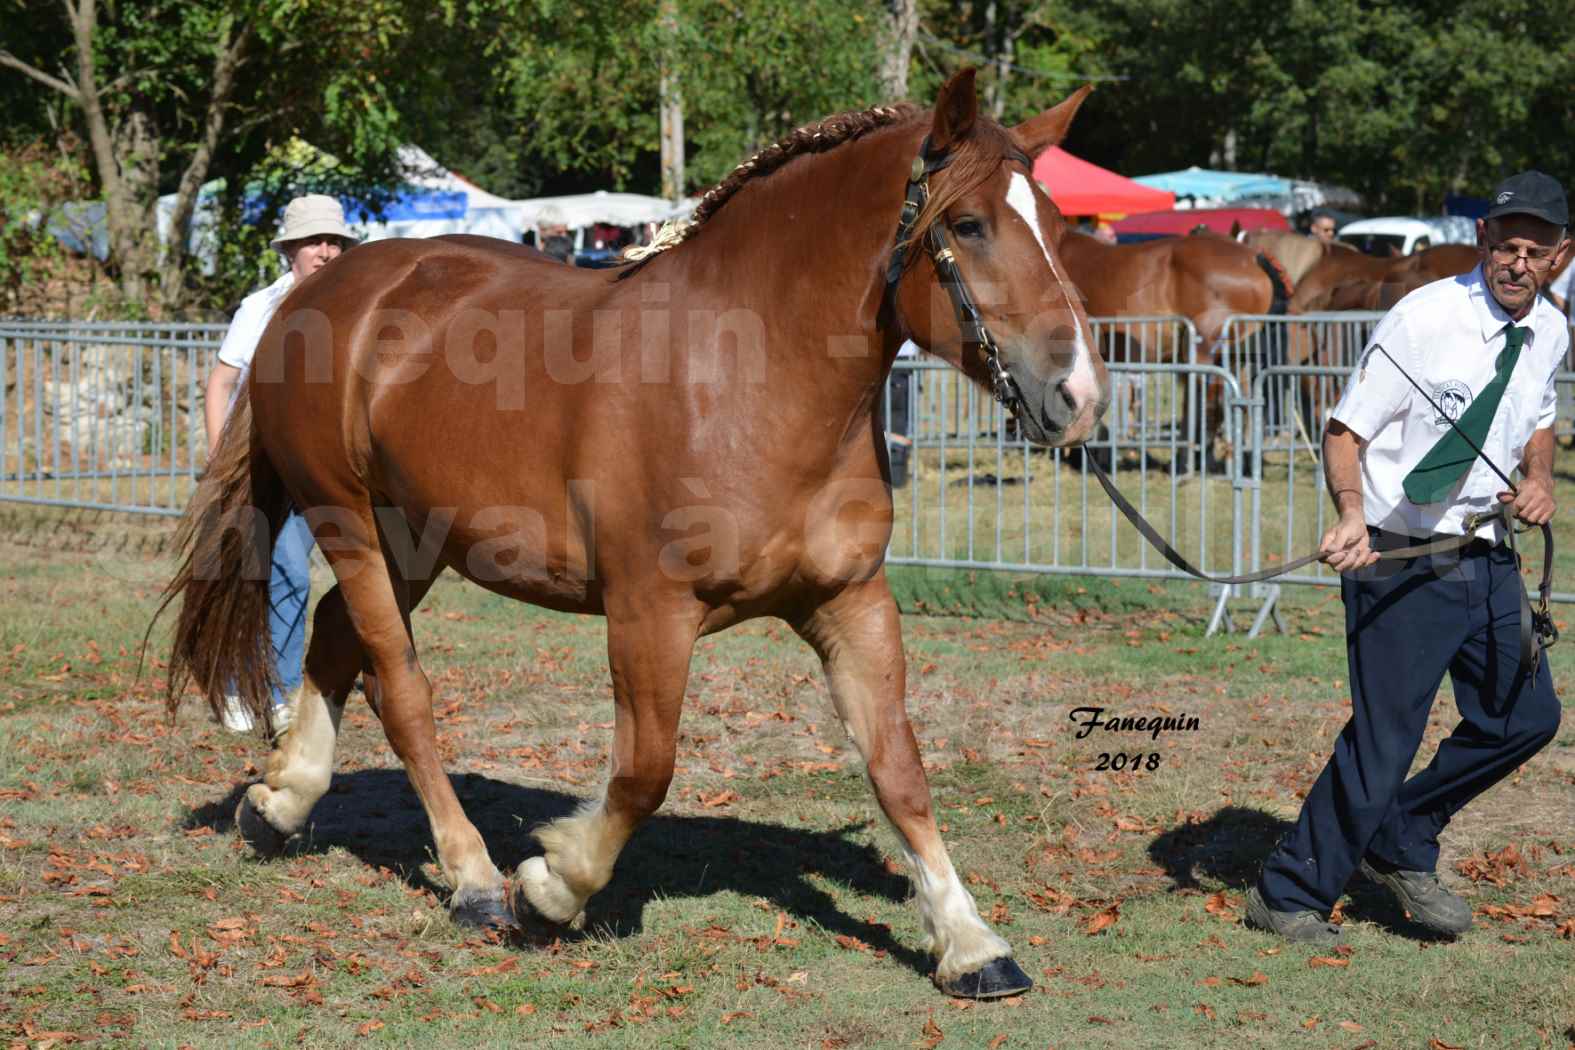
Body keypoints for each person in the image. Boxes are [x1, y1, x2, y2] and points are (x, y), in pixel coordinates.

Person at [1246, 170, 1569, 944]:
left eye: (1535, 250)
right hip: (1398, 552)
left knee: (1524, 716)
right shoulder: (1421, 319)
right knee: (1385, 737)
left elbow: (1537, 415)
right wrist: (1352, 517)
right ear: (1482, 240)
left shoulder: (1552, 327)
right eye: (1505, 245)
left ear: (1559, 256)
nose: (1516, 262)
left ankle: (1397, 838)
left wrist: (1535, 477)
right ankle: (1288, 891)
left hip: (1486, 551)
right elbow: (1342, 429)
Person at [203, 194, 357, 734]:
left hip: (324, 463)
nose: (326, 250)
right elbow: (222, 382)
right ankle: (254, 687)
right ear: (290, 248)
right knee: (263, 572)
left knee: (299, 573)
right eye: (315, 240)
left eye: (334, 240)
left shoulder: (353, 307)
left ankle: (278, 685)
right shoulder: (260, 307)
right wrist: (221, 456)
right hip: (260, 458)